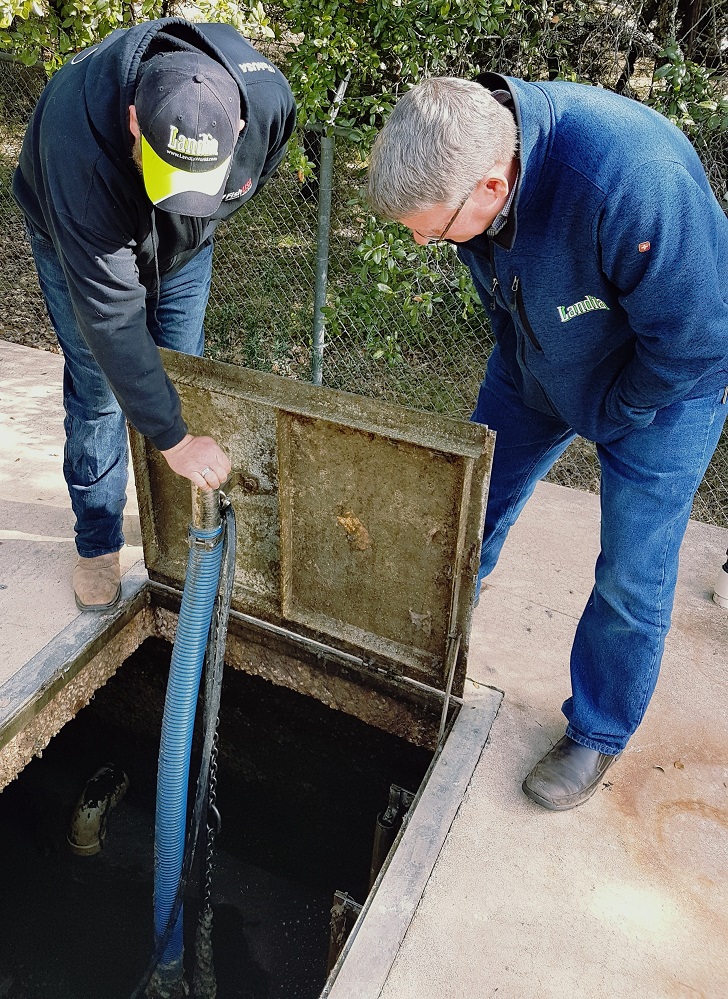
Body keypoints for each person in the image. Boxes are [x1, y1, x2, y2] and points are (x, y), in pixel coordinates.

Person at [367, 75, 728, 811]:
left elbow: (698, 340)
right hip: (538, 355)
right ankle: (427, 646)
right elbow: (502, 287)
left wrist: (612, 411)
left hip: (664, 381)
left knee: (633, 569)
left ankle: (597, 730)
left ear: (494, 185)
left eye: (431, 231)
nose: (422, 240)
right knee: (469, 505)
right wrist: (526, 359)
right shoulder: (478, 167)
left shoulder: (631, 177)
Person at [13, 17, 296, 612]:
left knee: (177, 372)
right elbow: (112, 318)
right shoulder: (78, 145)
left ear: (238, 127)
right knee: (100, 388)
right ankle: (97, 542)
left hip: (187, 243)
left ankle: (172, 531)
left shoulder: (268, 103)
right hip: (77, 230)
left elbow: (245, 181)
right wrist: (173, 438)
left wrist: (174, 430)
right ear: (136, 122)